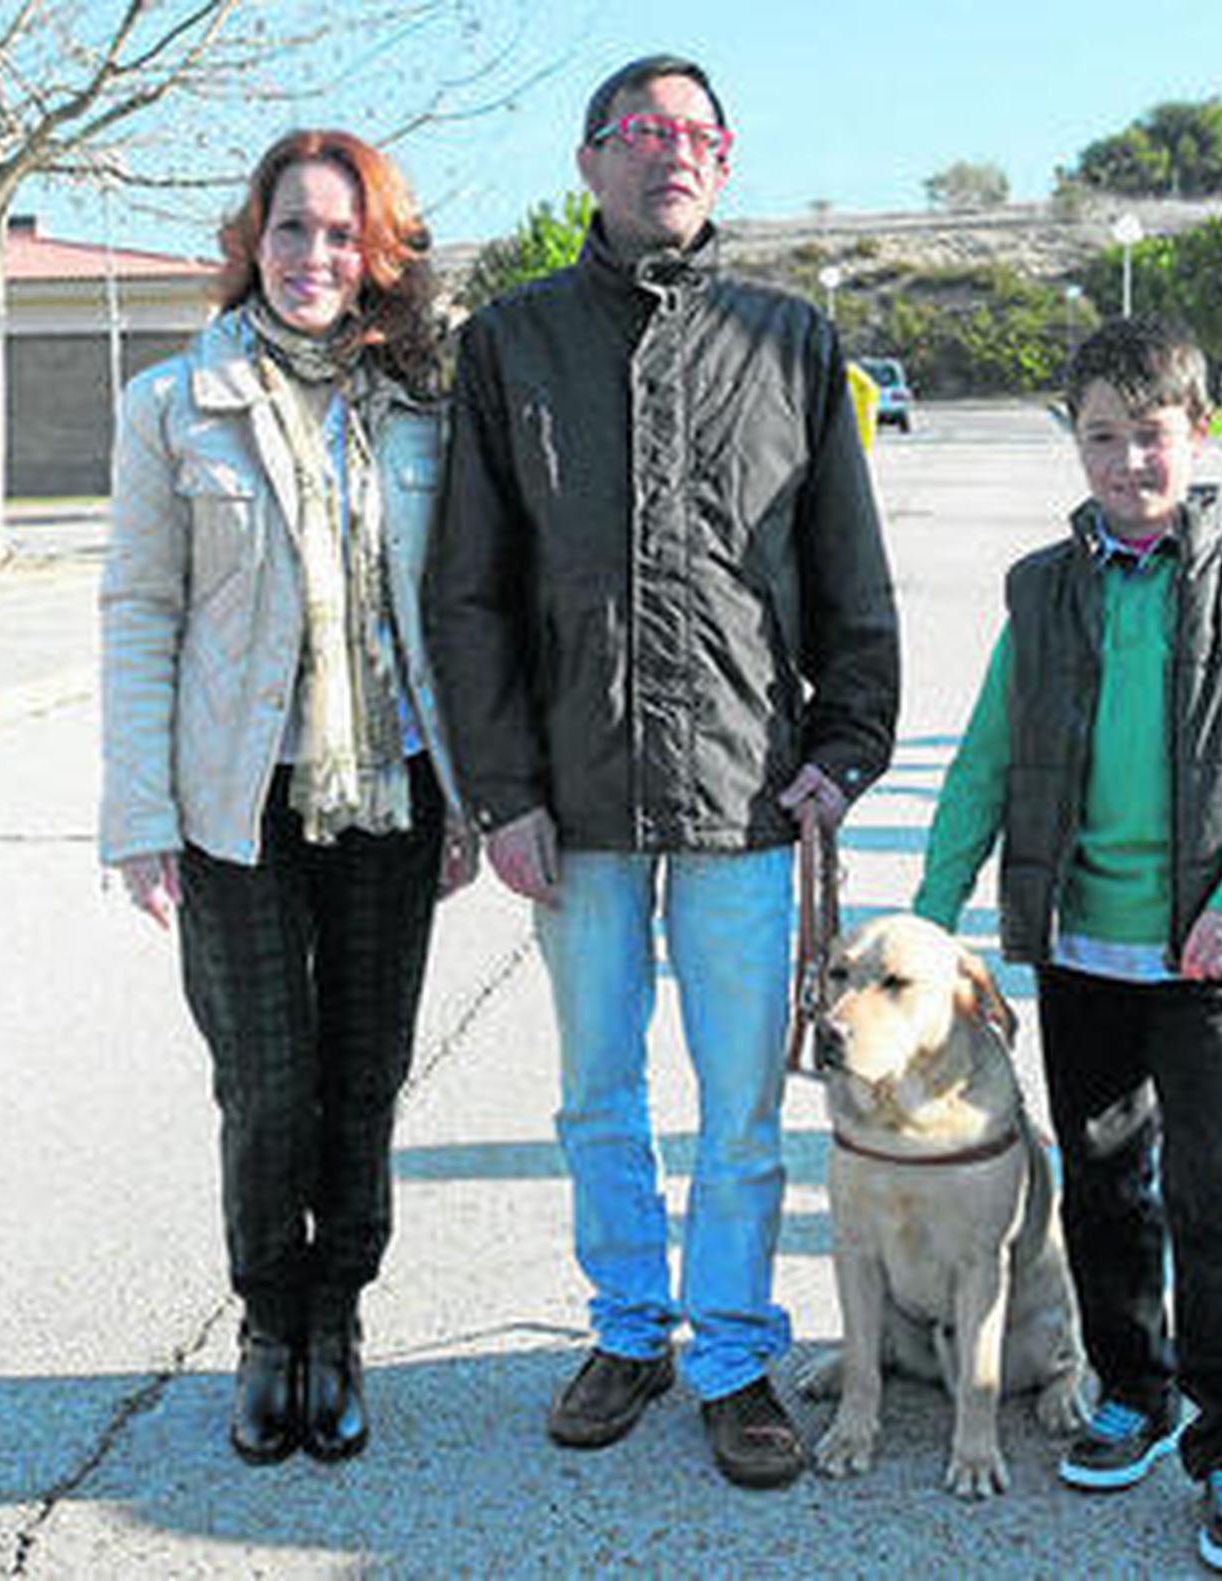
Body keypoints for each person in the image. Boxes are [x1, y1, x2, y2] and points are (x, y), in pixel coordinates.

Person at [432, 55, 899, 1489]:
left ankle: (734, 1353)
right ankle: (629, 1327)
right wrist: (502, 792)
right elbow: (469, 590)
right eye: (641, 130)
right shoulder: (510, 344)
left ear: (725, 160)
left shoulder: (791, 343)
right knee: (596, 1089)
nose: (669, 153)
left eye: (695, 133)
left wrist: (844, 748)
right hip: (572, 803)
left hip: (744, 791)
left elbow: (848, 576)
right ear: (590, 161)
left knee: (742, 1107)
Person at [913, 316, 1222, 1574]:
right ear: (1076, 442)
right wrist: (931, 918)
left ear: (1196, 435)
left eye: (1149, 435)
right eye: (1101, 436)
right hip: (1084, 947)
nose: (1127, 461)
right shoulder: (1042, 592)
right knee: (1103, 1184)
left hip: (1211, 949)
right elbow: (986, 757)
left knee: (1217, 1194)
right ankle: (1132, 1392)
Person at [99, 128, 474, 1466]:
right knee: (266, 1085)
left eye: (339, 233)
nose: (313, 254)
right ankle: (268, 1325)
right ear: (251, 242)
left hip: (395, 788)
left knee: (364, 1079)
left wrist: (472, 797)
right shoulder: (172, 404)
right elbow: (140, 613)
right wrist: (140, 817)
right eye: (290, 228)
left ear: (378, 254)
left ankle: (338, 1321)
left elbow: (456, 611)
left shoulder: (423, 409)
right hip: (236, 798)